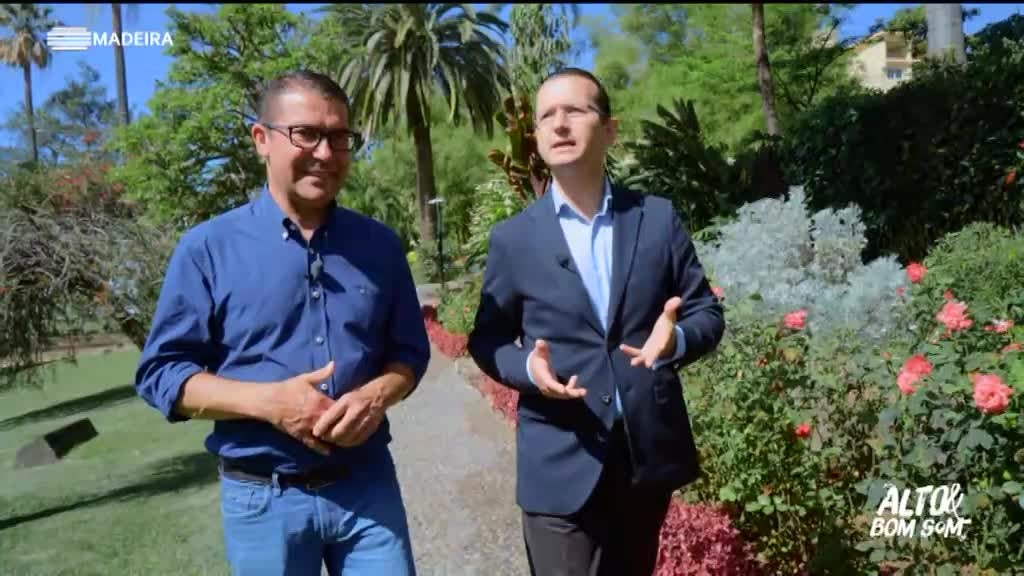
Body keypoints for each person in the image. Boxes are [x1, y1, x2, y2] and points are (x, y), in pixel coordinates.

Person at [134, 70, 430, 576]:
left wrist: (377, 395)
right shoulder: (207, 250)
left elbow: (410, 353)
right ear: (261, 140)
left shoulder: (379, 246)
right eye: (306, 134)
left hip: (367, 487)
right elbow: (161, 374)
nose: (324, 152)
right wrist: (270, 403)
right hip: (262, 499)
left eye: (339, 137)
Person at [468, 68, 725, 576]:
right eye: (546, 116)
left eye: (575, 111)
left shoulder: (655, 218)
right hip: (559, 457)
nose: (559, 125)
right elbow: (488, 338)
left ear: (609, 129)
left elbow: (705, 313)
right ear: (536, 138)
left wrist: (674, 342)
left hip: (643, 456)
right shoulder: (514, 240)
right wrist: (527, 370)